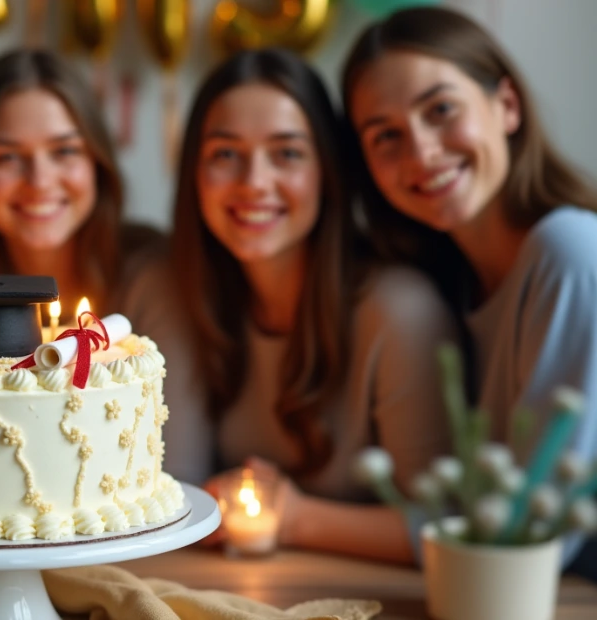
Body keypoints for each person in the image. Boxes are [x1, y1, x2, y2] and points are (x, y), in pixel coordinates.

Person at [171, 48, 458, 564]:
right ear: (193, 174)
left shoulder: (400, 312)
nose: (254, 182)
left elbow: (443, 526)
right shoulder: (189, 297)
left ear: (329, 172)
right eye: (225, 154)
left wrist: (296, 517)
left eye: (287, 153)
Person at [342, 6, 597, 570]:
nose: (422, 152)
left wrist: (299, 516)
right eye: (386, 136)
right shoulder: (445, 283)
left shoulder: (571, 252)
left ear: (506, 106)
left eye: (441, 110)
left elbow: (533, 534)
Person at [0, 49, 206, 481]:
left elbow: (181, 471)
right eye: (7, 157)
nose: (40, 181)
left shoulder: (150, 278)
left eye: (64, 151)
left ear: (98, 164)